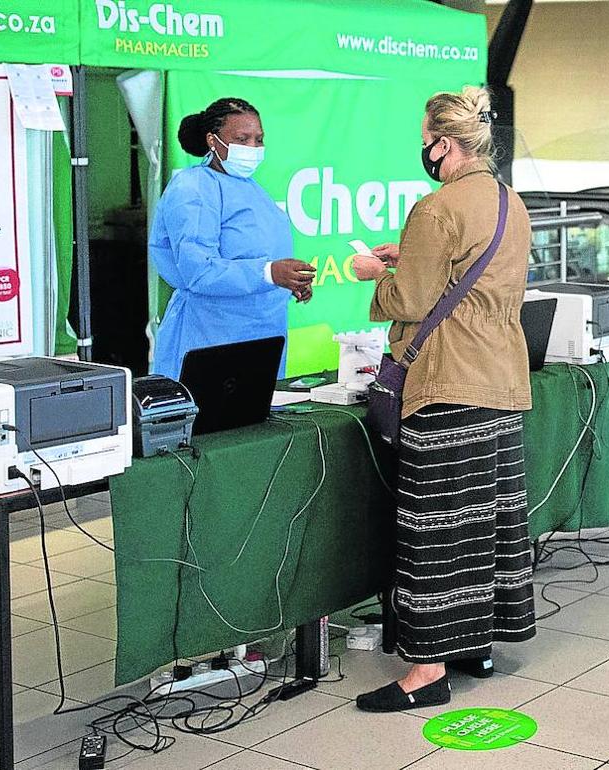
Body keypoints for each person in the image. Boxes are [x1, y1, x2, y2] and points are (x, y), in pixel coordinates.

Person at [349, 86, 536, 712]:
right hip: (501, 383)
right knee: (485, 523)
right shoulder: (511, 202)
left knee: (433, 527)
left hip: (448, 385)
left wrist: (380, 276)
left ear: (444, 144)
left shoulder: (435, 208)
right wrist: (415, 261)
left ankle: (426, 671)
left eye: (426, 138)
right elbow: (473, 279)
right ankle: (476, 645)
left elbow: (411, 301)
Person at [149, 97, 316, 380]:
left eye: (259, 140)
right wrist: (269, 272)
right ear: (213, 141)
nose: (253, 148)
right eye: (242, 139)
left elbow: (262, 254)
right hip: (211, 335)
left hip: (264, 334)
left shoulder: (252, 189)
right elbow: (198, 271)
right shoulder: (194, 188)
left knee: (257, 418)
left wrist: (289, 283)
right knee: (213, 420)